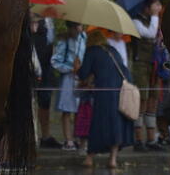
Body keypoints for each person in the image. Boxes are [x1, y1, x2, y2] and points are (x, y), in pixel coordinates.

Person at [77, 29, 136, 169]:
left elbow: (83, 74)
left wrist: (78, 66)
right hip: (120, 90)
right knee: (116, 123)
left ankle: (89, 158)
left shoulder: (91, 51)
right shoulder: (113, 51)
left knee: (99, 122)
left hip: (104, 92)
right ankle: (113, 159)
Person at [130, 0, 163, 150]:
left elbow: (155, 37)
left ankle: (151, 140)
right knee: (142, 100)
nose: (159, 7)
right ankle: (139, 140)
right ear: (147, 7)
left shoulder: (154, 21)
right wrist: (156, 16)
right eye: (156, 5)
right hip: (140, 65)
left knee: (153, 101)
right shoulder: (136, 21)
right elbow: (149, 33)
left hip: (154, 66)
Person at [50, 21, 86, 151]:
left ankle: (78, 137)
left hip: (81, 77)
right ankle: (68, 140)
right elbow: (55, 61)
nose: (78, 29)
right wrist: (69, 68)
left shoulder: (84, 38)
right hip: (68, 78)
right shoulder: (64, 40)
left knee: (80, 109)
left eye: (80, 26)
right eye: (76, 26)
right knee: (67, 109)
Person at [32, 14, 62, 148]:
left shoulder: (49, 19)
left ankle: (46, 135)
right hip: (32, 65)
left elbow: (51, 40)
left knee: (45, 102)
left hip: (46, 66)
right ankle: (31, 136)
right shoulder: (31, 18)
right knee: (30, 103)